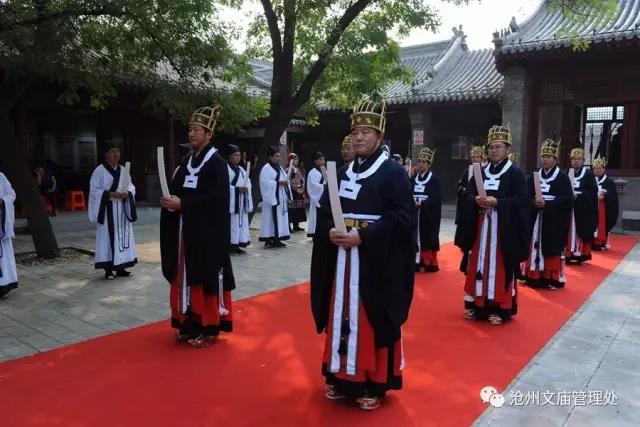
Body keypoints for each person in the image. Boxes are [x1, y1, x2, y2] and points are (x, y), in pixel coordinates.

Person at [311, 100, 415, 410]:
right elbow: (325, 211)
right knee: (340, 312)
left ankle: (374, 383)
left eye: (366, 132)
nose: (358, 137)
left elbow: (403, 217)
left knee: (371, 318)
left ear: (379, 136)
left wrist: (365, 236)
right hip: (342, 261)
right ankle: (341, 376)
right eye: (355, 131)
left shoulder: (393, 173)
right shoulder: (342, 172)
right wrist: (329, 230)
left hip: (374, 262)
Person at [160, 105, 235, 347]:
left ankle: (209, 327)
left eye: (197, 130)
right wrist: (171, 202)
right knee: (185, 275)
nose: (191, 133)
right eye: (190, 129)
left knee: (205, 277)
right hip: (186, 232)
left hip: (207, 234)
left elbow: (217, 200)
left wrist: (184, 204)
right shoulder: (188, 162)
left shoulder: (216, 163)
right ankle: (190, 323)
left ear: (209, 134)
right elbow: (180, 190)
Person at [455, 125, 529, 325]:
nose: (494, 150)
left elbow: (522, 201)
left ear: (508, 149)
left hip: (502, 229)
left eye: (498, 147)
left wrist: (498, 202)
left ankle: (500, 308)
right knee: (477, 263)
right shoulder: (481, 171)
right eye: (491, 147)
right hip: (481, 227)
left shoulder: (515, 173)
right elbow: (468, 193)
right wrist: (475, 199)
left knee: (500, 265)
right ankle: (476, 304)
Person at [521, 139, 573, 290]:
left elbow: (567, 199)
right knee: (533, 243)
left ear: (555, 159)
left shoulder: (562, 177)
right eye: (543, 156)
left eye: (548, 157)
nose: (545, 159)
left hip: (553, 219)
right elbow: (525, 196)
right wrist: (533, 203)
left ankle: (551, 277)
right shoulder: (534, 176)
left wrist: (548, 204)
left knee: (550, 246)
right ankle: (532, 276)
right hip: (536, 217)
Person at [88, 144, 137, 280]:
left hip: (121, 210)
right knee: (107, 238)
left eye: (118, 151)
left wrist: (128, 194)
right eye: (113, 151)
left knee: (122, 238)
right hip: (107, 209)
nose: (116, 154)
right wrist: (109, 194)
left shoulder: (123, 170)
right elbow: (94, 191)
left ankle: (121, 267)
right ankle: (108, 269)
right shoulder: (99, 171)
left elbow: (131, 187)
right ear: (106, 154)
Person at [565, 148, 598, 264]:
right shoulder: (566, 173)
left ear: (583, 161)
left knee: (581, 230)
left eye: (579, 159)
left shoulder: (588, 174)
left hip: (583, 209)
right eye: (574, 159)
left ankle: (581, 254)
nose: (576, 161)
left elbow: (593, 192)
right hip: (569, 208)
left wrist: (580, 195)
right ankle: (568, 254)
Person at [455, 145, 485, 274]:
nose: (475, 159)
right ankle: (466, 262)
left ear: (482, 158)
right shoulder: (467, 172)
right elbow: (459, 186)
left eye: (477, 157)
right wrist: (464, 191)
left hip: (480, 208)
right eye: (473, 157)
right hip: (468, 208)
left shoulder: (485, 171)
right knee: (467, 236)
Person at [412, 147, 441, 273]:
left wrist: (423, 204)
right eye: (419, 161)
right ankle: (415, 262)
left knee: (427, 237)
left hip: (426, 214)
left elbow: (436, 199)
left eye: (424, 162)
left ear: (429, 165)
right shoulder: (413, 179)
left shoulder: (434, 180)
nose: (421, 164)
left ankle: (427, 262)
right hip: (414, 213)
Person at [259, 146, 291, 248]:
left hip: (280, 197)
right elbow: (264, 184)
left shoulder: (280, 168)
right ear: (270, 157)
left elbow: (285, 179)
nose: (279, 158)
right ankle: (268, 240)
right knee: (269, 219)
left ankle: (277, 239)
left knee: (280, 219)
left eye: (279, 156)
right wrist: (278, 183)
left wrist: (286, 183)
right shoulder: (266, 169)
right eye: (276, 156)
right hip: (271, 198)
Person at [226, 144, 253, 255]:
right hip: (231, 203)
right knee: (232, 224)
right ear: (229, 156)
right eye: (235, 155)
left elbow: (248, 183)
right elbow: (223, 187)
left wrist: (246, 189)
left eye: (239, 155)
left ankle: (237, 244)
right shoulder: (225, 169)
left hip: (241, 202)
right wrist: (237, 190)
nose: (238, 157)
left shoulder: (241, 169)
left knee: (240, 225)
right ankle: (230, 245)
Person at [592, 156, 619, 251]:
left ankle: (600, 242)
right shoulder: (590, 180)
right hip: (591, 208)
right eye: (596, 168)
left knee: (601, 224)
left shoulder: (609, 182)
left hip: (603, 209)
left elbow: (613, 198)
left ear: (604, 169)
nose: (598, 170)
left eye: (600, 168)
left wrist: (605, 197)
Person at [0, 171, 18, 299]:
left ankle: (4, 285)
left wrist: (2, 201)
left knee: (4, 258)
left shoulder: (1, 177)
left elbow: (11, 194)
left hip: (1, 220)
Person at [306, 151, 326, 238]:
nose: (323, 161)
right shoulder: (313, 172)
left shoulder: (324, 170)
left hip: (324, 198)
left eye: (323, 159)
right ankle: (315, 233)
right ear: (316, 161)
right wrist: (324, 187)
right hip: (317, 199)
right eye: (321, 159)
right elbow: (313, 186)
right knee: (315, 216)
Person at [287, 153, 307, 232]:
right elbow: (289, 181)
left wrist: (302, 189)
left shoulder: (298, 169)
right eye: (294, 159)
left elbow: (302, 180)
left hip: (299, 192)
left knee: (298, 209)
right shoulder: (288, 170)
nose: (296, 161)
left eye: (297, 159)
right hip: (292, 192)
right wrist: (295, 188)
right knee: (291, 210)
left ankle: (296, 225)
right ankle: (288, 227)